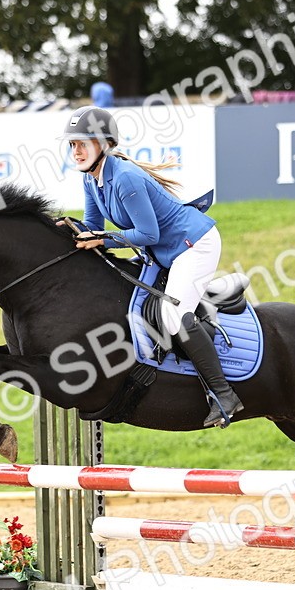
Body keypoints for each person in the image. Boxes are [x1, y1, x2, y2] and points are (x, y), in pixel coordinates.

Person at [63, 106, 243, 428]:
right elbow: (93, 225)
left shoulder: (126, 179)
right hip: (164, 252)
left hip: (194, 245)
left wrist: (103, 239)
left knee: (174, 315)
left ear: (103, 145)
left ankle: (223, 393)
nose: (76, 151)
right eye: (73, 145)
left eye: (83, 144)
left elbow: (148, 233)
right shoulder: (92, 180)